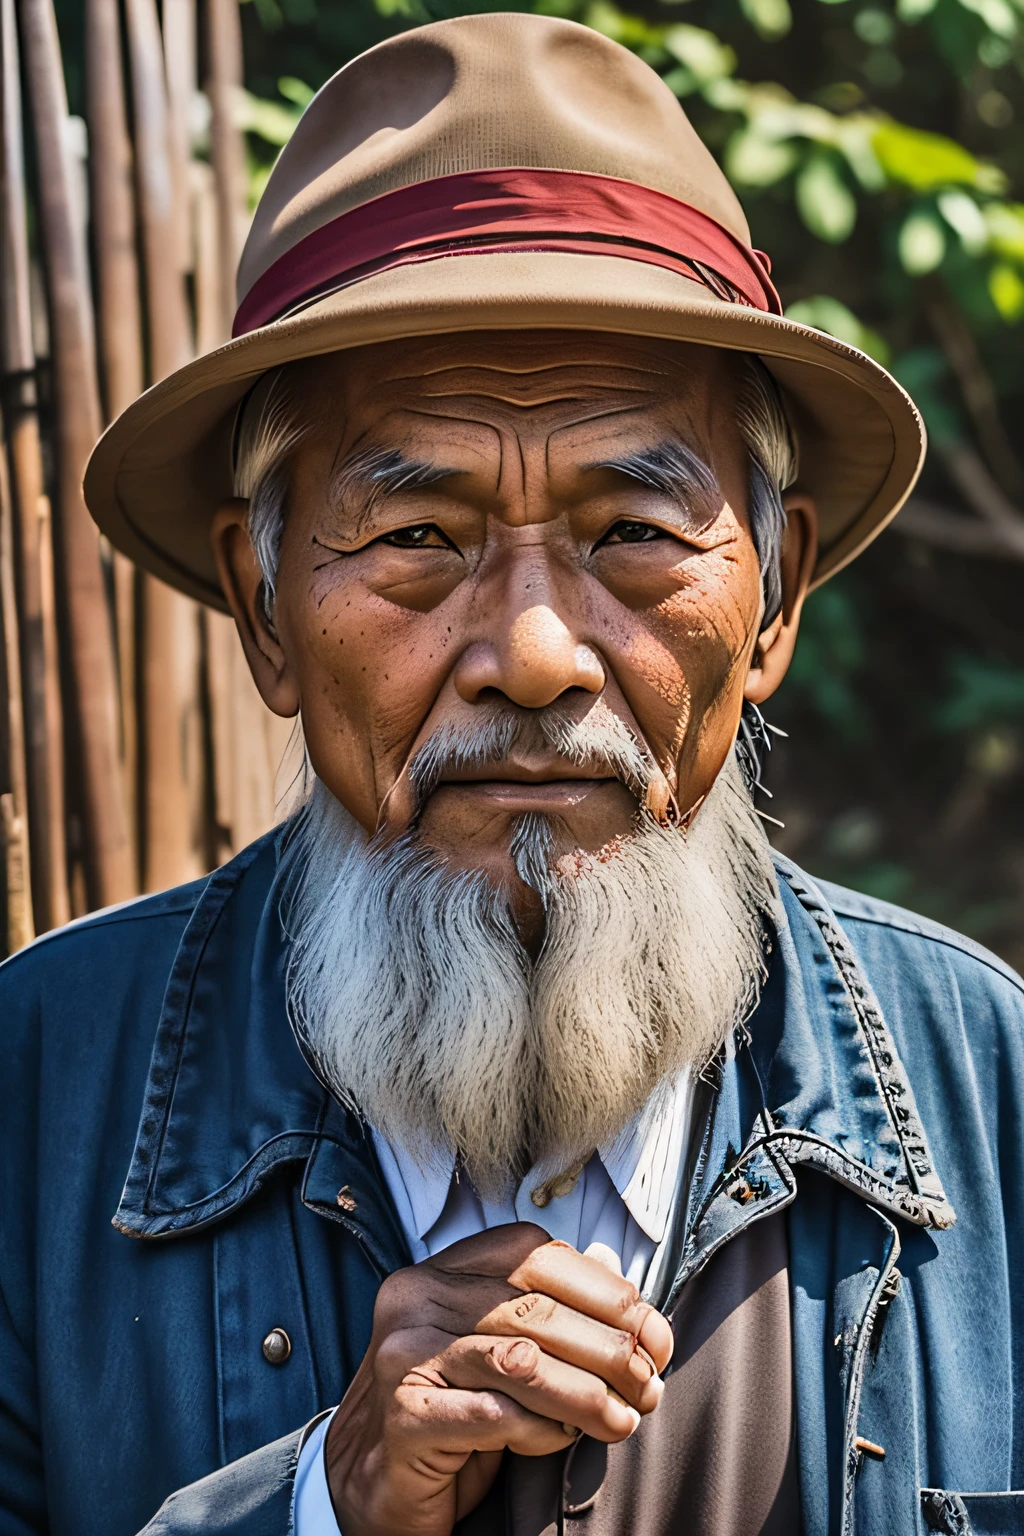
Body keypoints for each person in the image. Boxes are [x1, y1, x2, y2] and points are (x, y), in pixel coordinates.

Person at [3, 13, 1023, 1536]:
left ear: (778, 603)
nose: (537, 653)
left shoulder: (992, 1094)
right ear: (266, 613)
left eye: (632, 531)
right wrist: (313, 1509)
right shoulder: (32, 1099)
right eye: (419, 537)